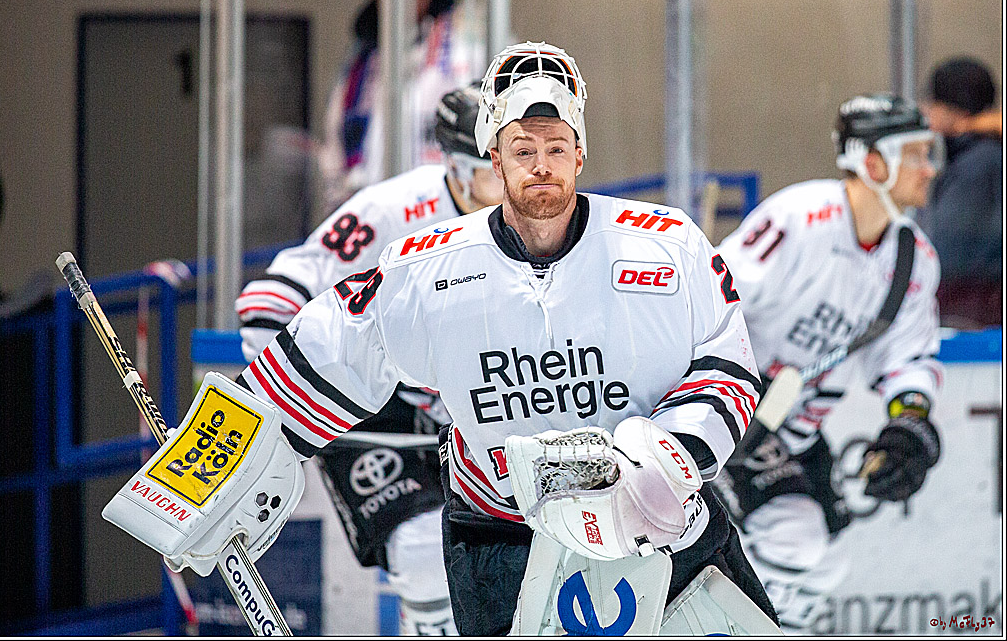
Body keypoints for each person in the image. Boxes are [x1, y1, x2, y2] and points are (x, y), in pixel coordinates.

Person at [234, 41, 778, 635]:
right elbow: (324, 351)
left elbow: (727, 359)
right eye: (523, 150)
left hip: (657, 522)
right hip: (500, 535)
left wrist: (671, 455)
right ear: (494, 157)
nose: (540, 165)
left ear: (580, 153)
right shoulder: (425, 268)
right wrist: (209, 470)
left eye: (555, 148)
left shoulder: (668, 246)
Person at [236, 83, 503, 635]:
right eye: (490, 170)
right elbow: (279, 289)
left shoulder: (536, 220)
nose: (509, 186)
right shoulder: (395, 209)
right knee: (424, 552)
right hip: (380, 412)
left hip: (478, 410)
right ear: (454, 167)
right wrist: (273, 396)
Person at [713, 94, 945, 633]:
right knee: (794, 534)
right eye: (913, 154)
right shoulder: (799, 219)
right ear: (872, 161)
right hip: (732, 416)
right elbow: (710, 303)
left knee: (826, 564)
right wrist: (714, 395)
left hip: (794, 432)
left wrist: (908, 425)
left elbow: (907, 359)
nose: (928, 169)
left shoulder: (914, 258)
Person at [316, 0, 485, 219]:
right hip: (378, 216)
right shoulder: (364, 56)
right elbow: (336, 144)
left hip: (448, 215)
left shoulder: (470, 38)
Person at [917, 57, 1002, 328]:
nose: (927, 112)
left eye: (932, 103)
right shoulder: (979, 157)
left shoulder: (979, 164)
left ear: (955, 111)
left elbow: (950, 248)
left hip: (970, 313)